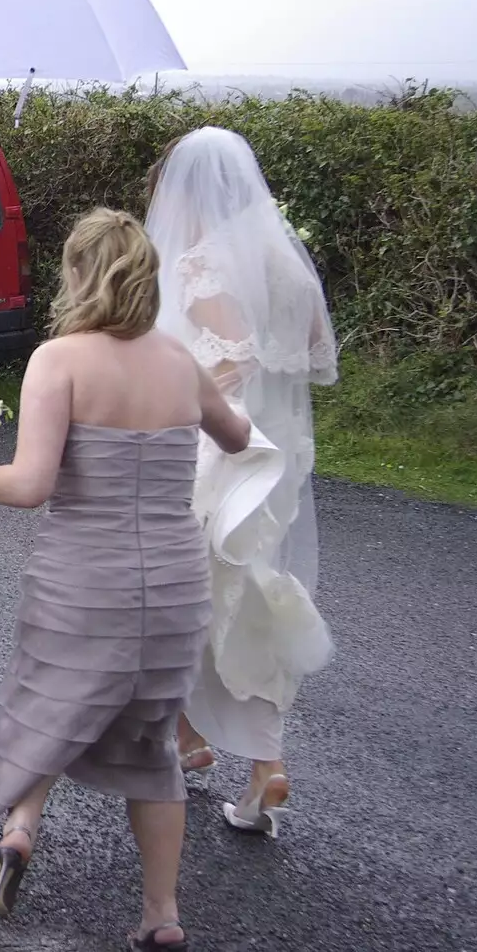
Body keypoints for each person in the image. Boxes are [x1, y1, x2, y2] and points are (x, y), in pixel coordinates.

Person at [0, 208, 251, 950]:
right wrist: (228, 382)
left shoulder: (60, 360)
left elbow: (35, 482)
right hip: (173, 584)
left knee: (46, 704)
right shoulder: (178, 359)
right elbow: (236, 437)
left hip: (83, 579)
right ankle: (162, 916)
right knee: (152, 747)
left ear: (80, 275)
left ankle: (19, 833)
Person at [143, 127, 339, 839]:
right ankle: (219, 746)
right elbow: (317, 349)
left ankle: (233, 750)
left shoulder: (201, 264)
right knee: (237, 588)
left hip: (224, 449)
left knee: (194, 595)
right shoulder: (283, 260)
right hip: (280, 453)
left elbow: (234, 358)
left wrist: (178, 402)